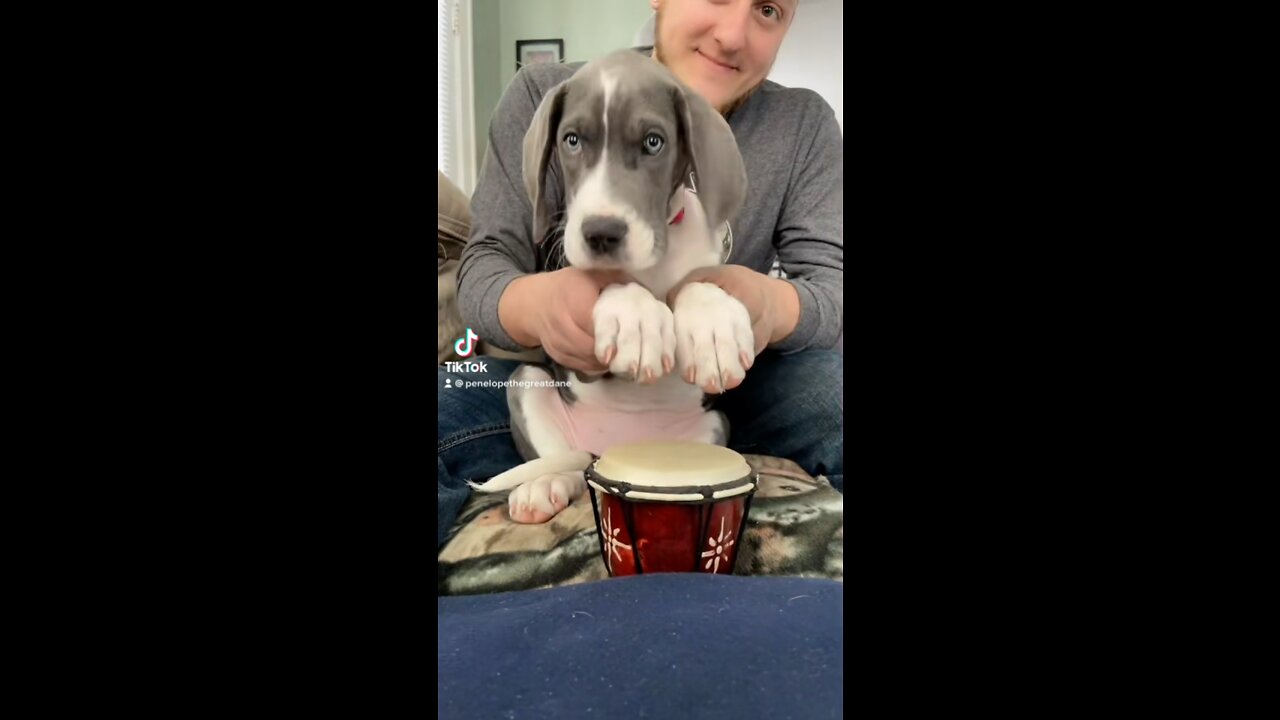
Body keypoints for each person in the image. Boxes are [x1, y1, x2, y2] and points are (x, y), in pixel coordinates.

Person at [439, 0, 842, 548]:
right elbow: (483, 272)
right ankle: (564, 470)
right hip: (566, 391)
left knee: (833, 392)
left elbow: (831, 291)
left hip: (720, 394)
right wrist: (546, 305)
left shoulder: (801, 126)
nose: (731, 35)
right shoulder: (546, 94)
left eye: (768, 9)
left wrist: (764, 304)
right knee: (460, 389)